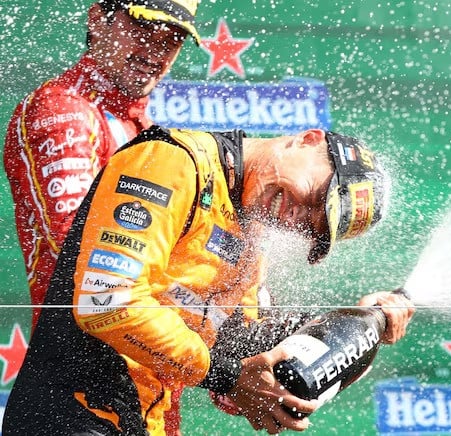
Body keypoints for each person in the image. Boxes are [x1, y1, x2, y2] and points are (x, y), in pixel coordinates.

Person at [2, 126, 415, 435]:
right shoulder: (173, 161)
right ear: (305, 140)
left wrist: (360, 331)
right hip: (70, 419)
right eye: (315, 199)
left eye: (313, 229)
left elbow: (252, 363)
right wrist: (226, 374)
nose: (295, 219)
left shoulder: (250, 237)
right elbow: (107, 302)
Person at [3, 1, 199, 433]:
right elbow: (94, 267)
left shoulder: (142, 124)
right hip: (81, 401)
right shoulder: (63, 111)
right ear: (98, 18)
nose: (157, 49)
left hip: (140, 398)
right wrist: (211, 330)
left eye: (175, 38)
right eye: (145, 28)